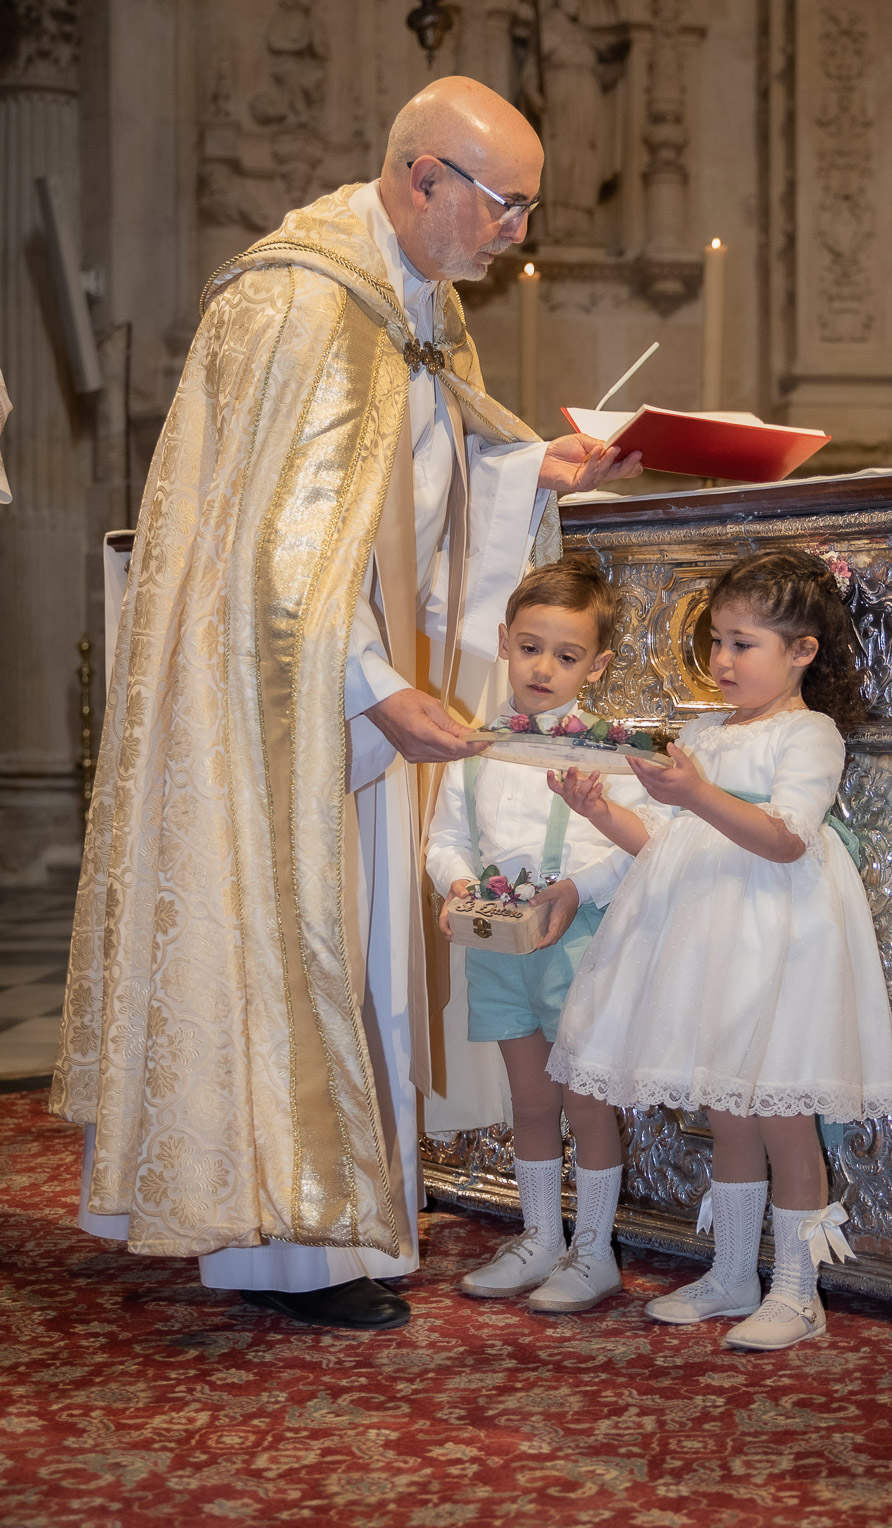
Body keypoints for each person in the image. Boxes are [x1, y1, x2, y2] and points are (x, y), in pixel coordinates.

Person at [50, 76, 640, 1331]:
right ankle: (289, 1247)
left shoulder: (414, 303)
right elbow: (264, 552)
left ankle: (347, 1219)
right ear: (423, 175)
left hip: (354, 703)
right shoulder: (298, 302)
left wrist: (537, 461)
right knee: (301, 950)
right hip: (294, 710)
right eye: (502, 203)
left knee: (360, 962)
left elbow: (419, 480)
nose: (515, 234)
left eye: (526, 208)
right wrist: (378, 693)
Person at [547, 549, 892, 1351]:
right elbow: (661, 842)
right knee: (726, 1108)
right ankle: (735, 1271)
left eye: (744, 643)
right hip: (704, 938)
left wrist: (696, 792)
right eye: (717, 642)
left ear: (801, 650)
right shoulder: (705, 731)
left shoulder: (807, 733)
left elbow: (785, 840)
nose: (722, 660)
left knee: (781, 1113)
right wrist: (603, 811)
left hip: (778, 936)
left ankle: (796, 1291)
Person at [427, 554, 644, 1313]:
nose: (543, 668)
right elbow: (446, 837)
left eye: (566, 654)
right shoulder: (479, 745)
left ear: (598, 664)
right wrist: (454, 882)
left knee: (585, 1104)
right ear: (504, 642)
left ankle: (594, 1252)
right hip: (500, 946)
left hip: (577, 944)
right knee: (529, 1100)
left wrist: (575, 887)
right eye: (529, 647)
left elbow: (628, 846)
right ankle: (541, 1238)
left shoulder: (603, 749)